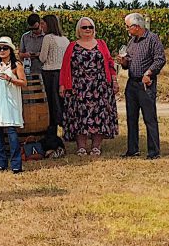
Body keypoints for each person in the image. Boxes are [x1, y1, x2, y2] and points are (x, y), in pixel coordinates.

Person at [61, 17, 118, 156]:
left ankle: (96, 147)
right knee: (79, 116)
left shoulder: (101, 44)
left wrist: (114, 81)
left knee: (100, 115)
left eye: (90, 27)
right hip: (78, 87)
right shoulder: (72, 46)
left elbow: (110, 63)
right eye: (84, 27)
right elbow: (65, 67)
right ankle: (81, 147)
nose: (88, 30)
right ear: (78, 30)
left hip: (100, 86)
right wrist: (62, 85)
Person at [119, 13, 166, 160]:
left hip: (146, 83)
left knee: (149, 118)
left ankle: (153, 152)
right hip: (132, 83)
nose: (127, 29)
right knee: (131, 118)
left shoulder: (153, 39)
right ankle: (132, 149)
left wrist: (149, 73)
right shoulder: (132, 41)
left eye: (128, 26)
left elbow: (160, 59)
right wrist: (124, 62)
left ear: (136, 26)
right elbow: (129, 63)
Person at [0, 37, 27, 173]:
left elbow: (24, 82)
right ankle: (1, 162)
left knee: (12, 132)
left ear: (10, 50)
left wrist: (11, 79)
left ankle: (16, 164)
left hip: (10, 102)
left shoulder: (16, 65)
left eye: (4, 48)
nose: (1, 51)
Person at [38, 15, 70, 156]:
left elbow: (42, 58)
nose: (41, 26)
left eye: (43, 23)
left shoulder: (48, 38)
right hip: (62, 74)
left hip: (49, 74)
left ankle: (51, 137)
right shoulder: (65, 39)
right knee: (60, 104)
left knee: (50, 106)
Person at [21, 13, 45, 78]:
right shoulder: (25, 36)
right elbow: (20, 54)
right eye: (31, 29)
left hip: (44, 71)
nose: (34, 31)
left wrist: (40, 54)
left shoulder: (46, 37)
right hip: (29, 70)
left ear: (40, 24)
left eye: (36, 28)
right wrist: (25, 55)